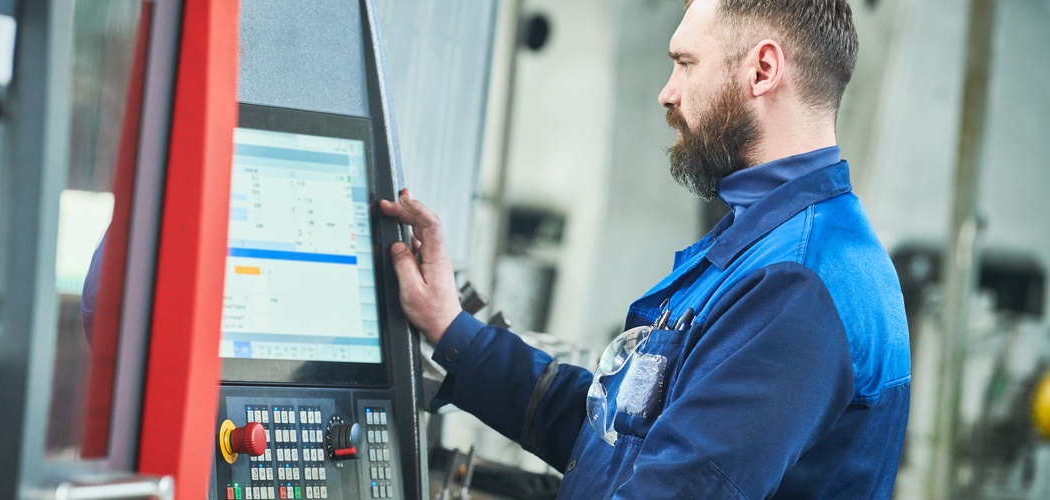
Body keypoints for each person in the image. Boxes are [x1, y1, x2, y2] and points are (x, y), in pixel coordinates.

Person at [378, 0, 910, 497]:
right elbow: (615, 438)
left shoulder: (798, 283)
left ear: (763, 70)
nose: (668, 92)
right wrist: (450, 327)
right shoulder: (766, 247)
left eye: (685, 63)